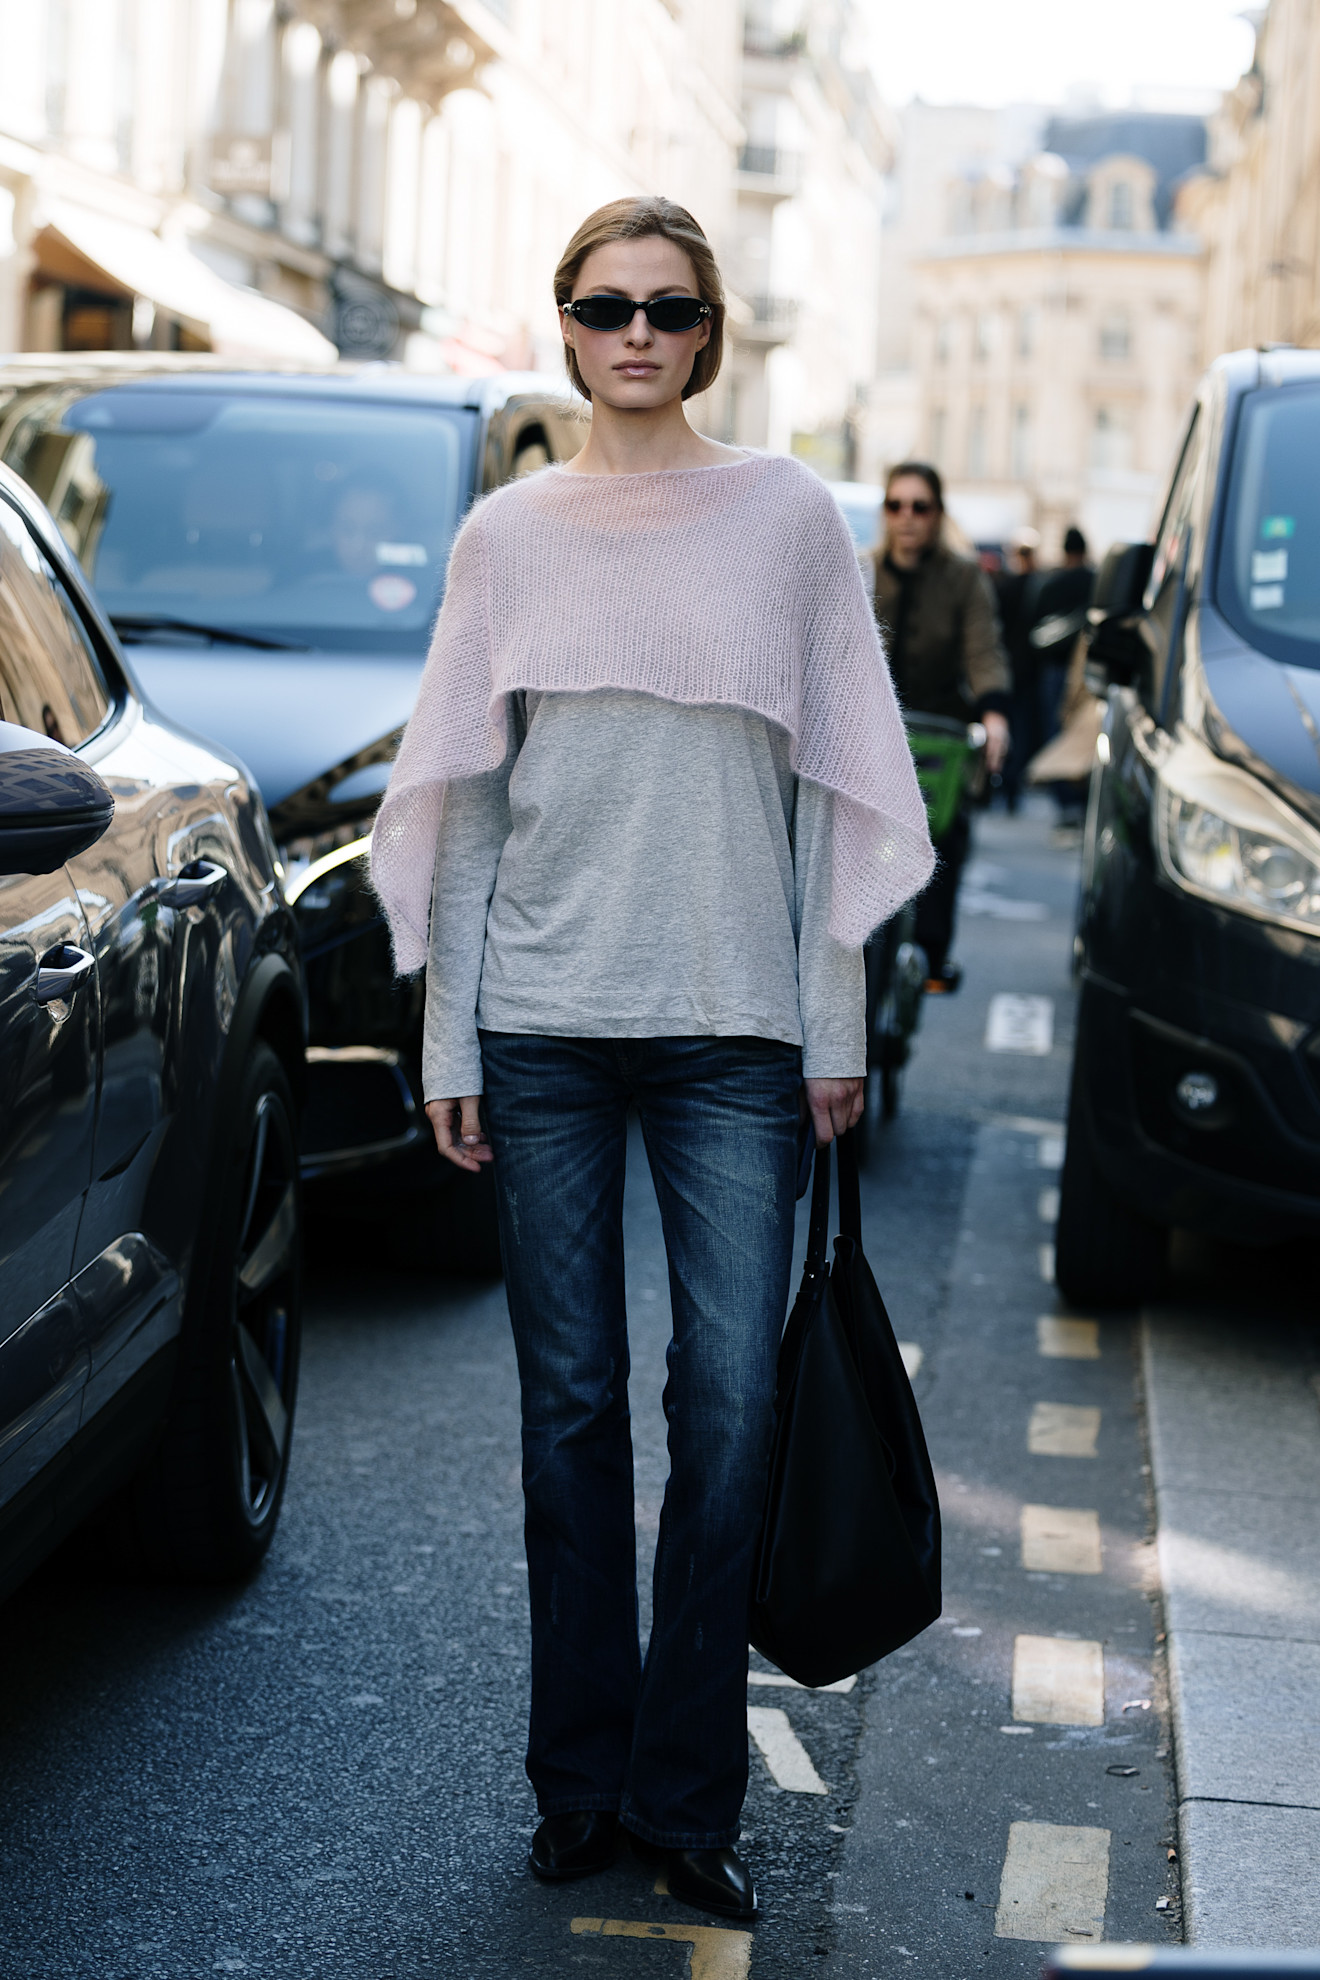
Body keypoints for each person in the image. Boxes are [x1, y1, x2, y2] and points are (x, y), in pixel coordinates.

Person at [370, 195, 933, 1923]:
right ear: (563, 325)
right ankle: (579, 1782)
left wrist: (832, 1031)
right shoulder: (510, 538)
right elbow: (462, 807)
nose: (636, 332)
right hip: (540, 1028)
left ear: (708, 331)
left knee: (735, 1406)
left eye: (669, 308)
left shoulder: (786, 523)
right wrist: (447, 1026)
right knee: (567, 1415)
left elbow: (834, 790)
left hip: (734, 1035)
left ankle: (690, 1798)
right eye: (605, 305)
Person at [871, 463, 1011, 992]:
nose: (907, 518)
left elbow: (984, 651)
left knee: (945, 827)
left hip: (940, 735)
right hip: (871, 730)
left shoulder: (963, 579)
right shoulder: (861, 571)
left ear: (937, 515)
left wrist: (994, 716)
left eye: (920, 507)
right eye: (896, 505)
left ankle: (930, 954)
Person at [1028, 524, 1095, 831]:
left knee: (1055, 730)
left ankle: (1065, 803)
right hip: (1086, 671)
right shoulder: (1095, 582)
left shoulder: (1052, 583)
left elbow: (1033, 627)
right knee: (1083, 734)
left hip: (1054, 669)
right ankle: (1080, 800)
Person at [995, 527, 1042, 812]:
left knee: (1012, 725)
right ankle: (1013, 785)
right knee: (1021, 727)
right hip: (1025, 668)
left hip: (1010, 665)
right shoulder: (1036, 585)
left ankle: (1007, 784)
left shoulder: (1004, 585)